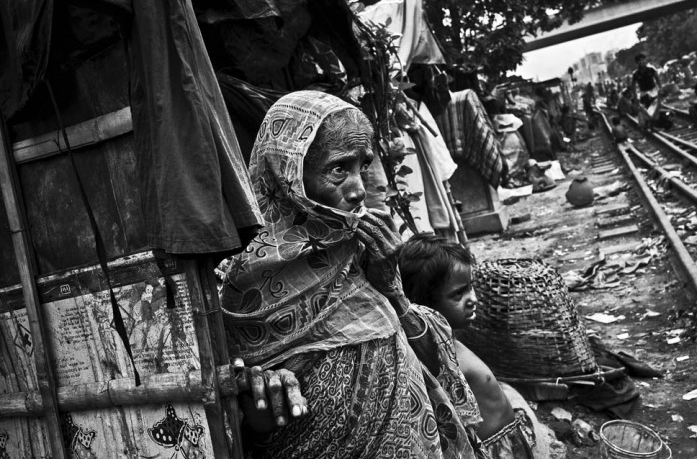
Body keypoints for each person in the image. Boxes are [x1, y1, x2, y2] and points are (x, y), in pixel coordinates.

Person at [221, 90, 482, 458]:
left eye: (364, 165)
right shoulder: (237, 280)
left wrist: (392, 288)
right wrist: (256, 384)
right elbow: (234, 411)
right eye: (339, 168)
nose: (359, 189)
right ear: (289, 172)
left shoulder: (364, 252)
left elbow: (432, 362)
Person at [398, 234, 539, 458]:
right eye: (458, 294)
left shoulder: (449, 340)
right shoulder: (437, 357)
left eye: (469, 287)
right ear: (425, 307)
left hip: (507, 441)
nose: (472, 298)